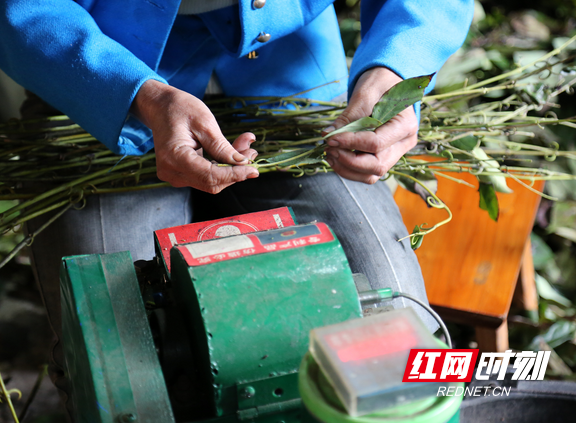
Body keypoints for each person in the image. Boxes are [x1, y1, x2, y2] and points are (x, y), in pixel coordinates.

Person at [0, 0, 474, 417]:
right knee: (115, 365)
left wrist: (394, 69)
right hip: (99, 84)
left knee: (397, 321)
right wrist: (143, 96)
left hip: (297, 92)